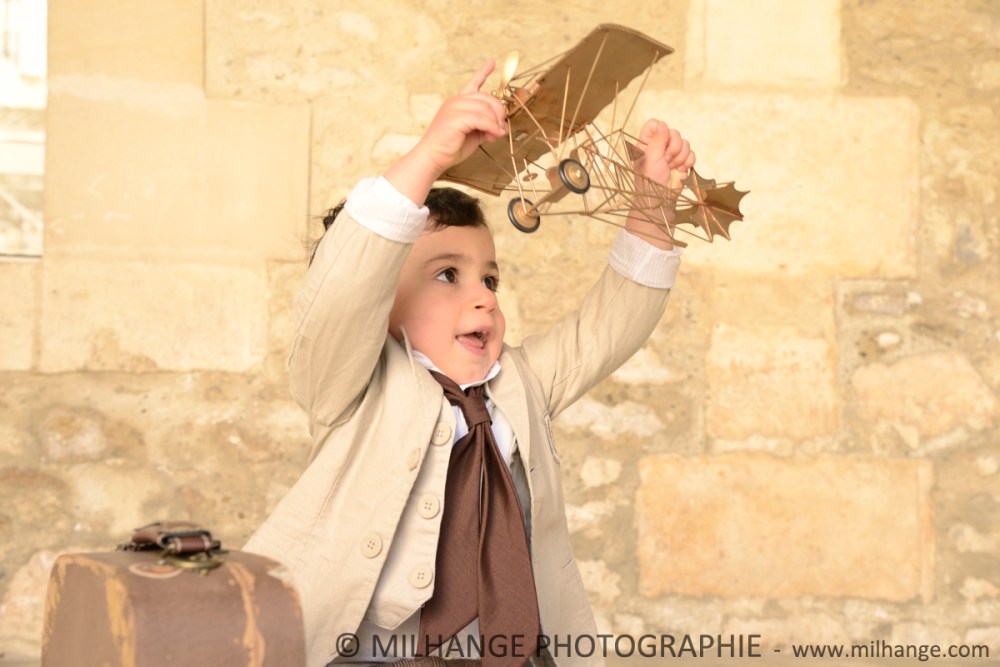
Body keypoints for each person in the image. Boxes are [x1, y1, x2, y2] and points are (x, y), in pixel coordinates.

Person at [244, 60, 695, 667]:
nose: (482, 294)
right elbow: (344, 292)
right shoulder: (348, 385)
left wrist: (653, 206)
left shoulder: (520, 384)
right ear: (382, 303)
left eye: (490, 278)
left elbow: (609, 328)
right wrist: (430, 156)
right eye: (447, 275)